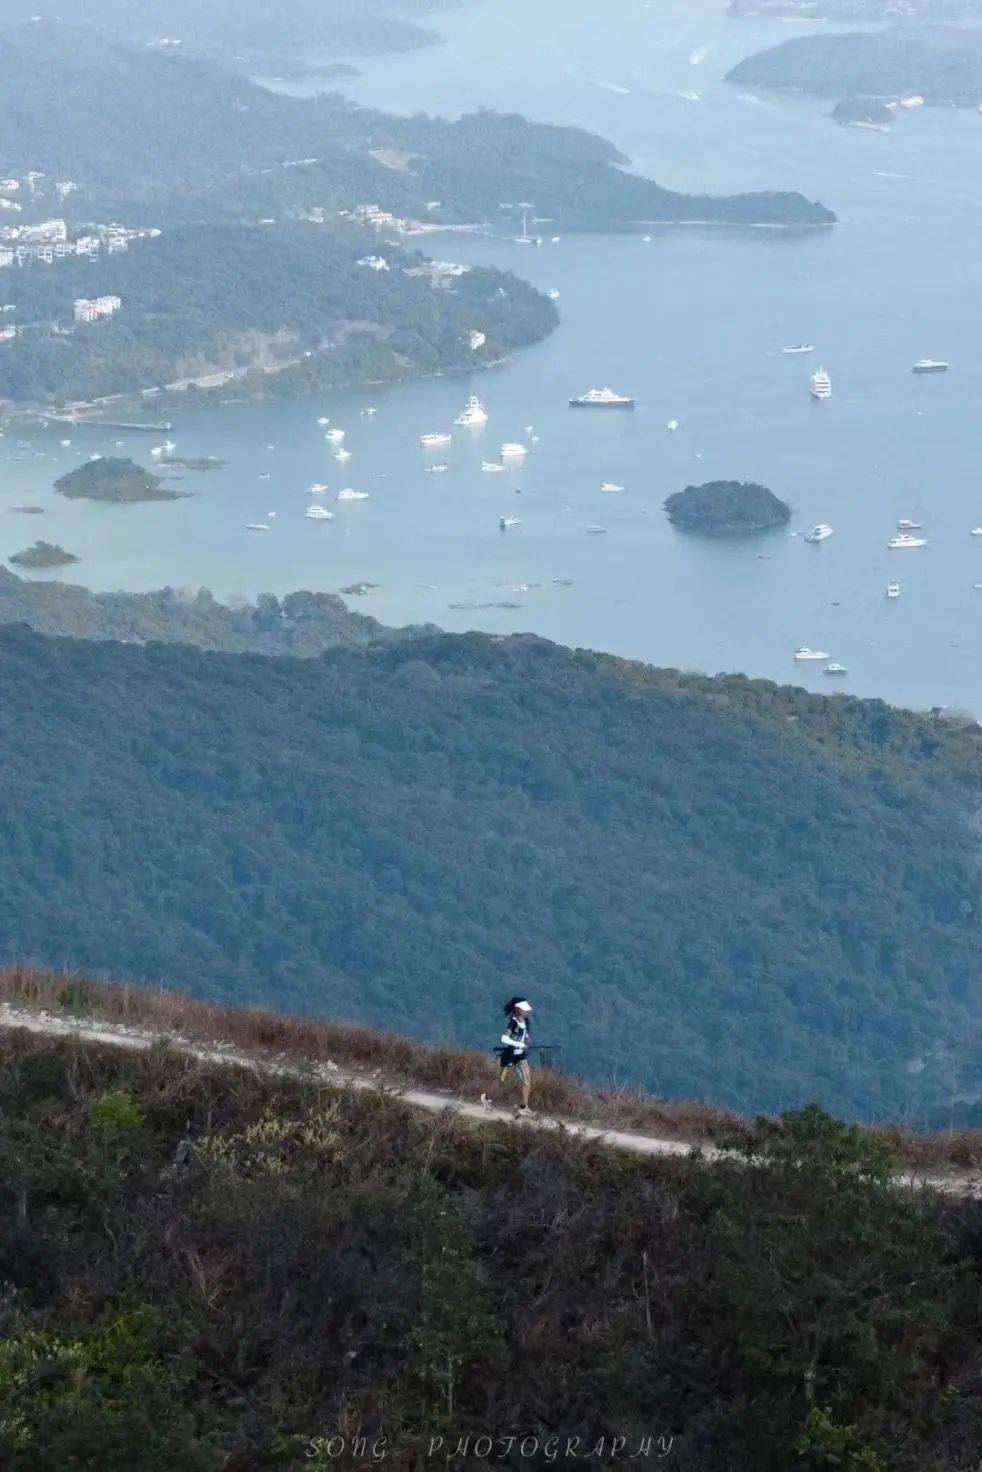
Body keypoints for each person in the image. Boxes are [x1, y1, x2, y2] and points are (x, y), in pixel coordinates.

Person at [481, 997, 533, 1117]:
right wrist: (519, 1044)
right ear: (518, 1009)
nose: (526, 1012)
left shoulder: (526, 1021)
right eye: (524, 1010)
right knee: (501, 1081)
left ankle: (524, 1107)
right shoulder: (513, 1023)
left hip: (521, 1056)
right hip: (509, 1056)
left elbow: (525, 1034)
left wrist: (527, 1039)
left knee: (527, 1080)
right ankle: (487, 1099)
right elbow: (504, 1038)